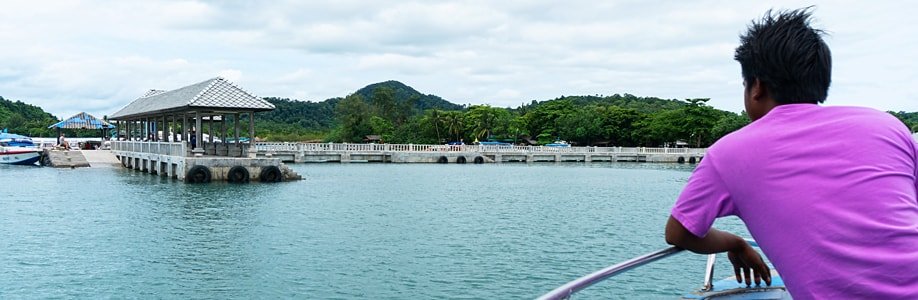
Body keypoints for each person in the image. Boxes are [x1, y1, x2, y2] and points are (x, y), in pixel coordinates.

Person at [664, 8, 918, 299]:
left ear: (756, 86)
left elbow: (679, 233)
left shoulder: (729, 153)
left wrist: (734, 243)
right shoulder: (886, 126)